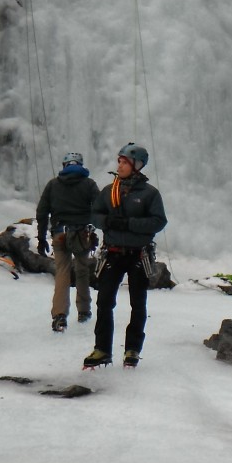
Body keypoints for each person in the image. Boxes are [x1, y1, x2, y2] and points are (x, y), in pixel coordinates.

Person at [83, 142, 167, 370]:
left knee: (137, 304)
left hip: (138, 255)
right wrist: (107, 222)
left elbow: (159, 221)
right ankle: (102, 349)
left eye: (124, 162)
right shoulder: (110, 191)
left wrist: (129, 223)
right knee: (104, 302)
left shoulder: (150, 194)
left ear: (136, 166)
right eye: (119, 161)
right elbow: (95, 214)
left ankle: (132, 349)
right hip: (113, 253)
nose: (119, 165)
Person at [36, 152, 100, 332]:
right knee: (82, 270)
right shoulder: (89, 184)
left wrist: (41, 238)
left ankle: (59, 316)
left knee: (62, 272)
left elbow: (42, 212)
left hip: (60, 233)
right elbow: (100, 208)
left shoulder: (53, 184)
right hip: (81, 234)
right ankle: (84, 311)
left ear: (64, 166)